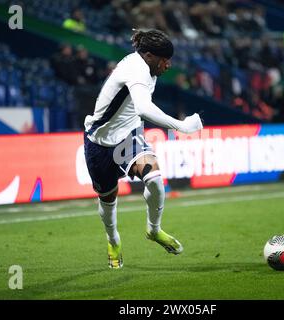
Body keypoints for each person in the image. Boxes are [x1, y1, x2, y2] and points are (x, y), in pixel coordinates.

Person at [83, 29, 203, 269]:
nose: (168, 66)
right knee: (108, 200)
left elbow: (137, 110)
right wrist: (182, 126)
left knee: (155, 179)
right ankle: (113, 240)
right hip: (99, 142)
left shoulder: (147, 67)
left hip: (128, 137)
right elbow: (144, 109)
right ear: (149, 56)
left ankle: (154, 230)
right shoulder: (137, 69)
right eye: (164, 60)